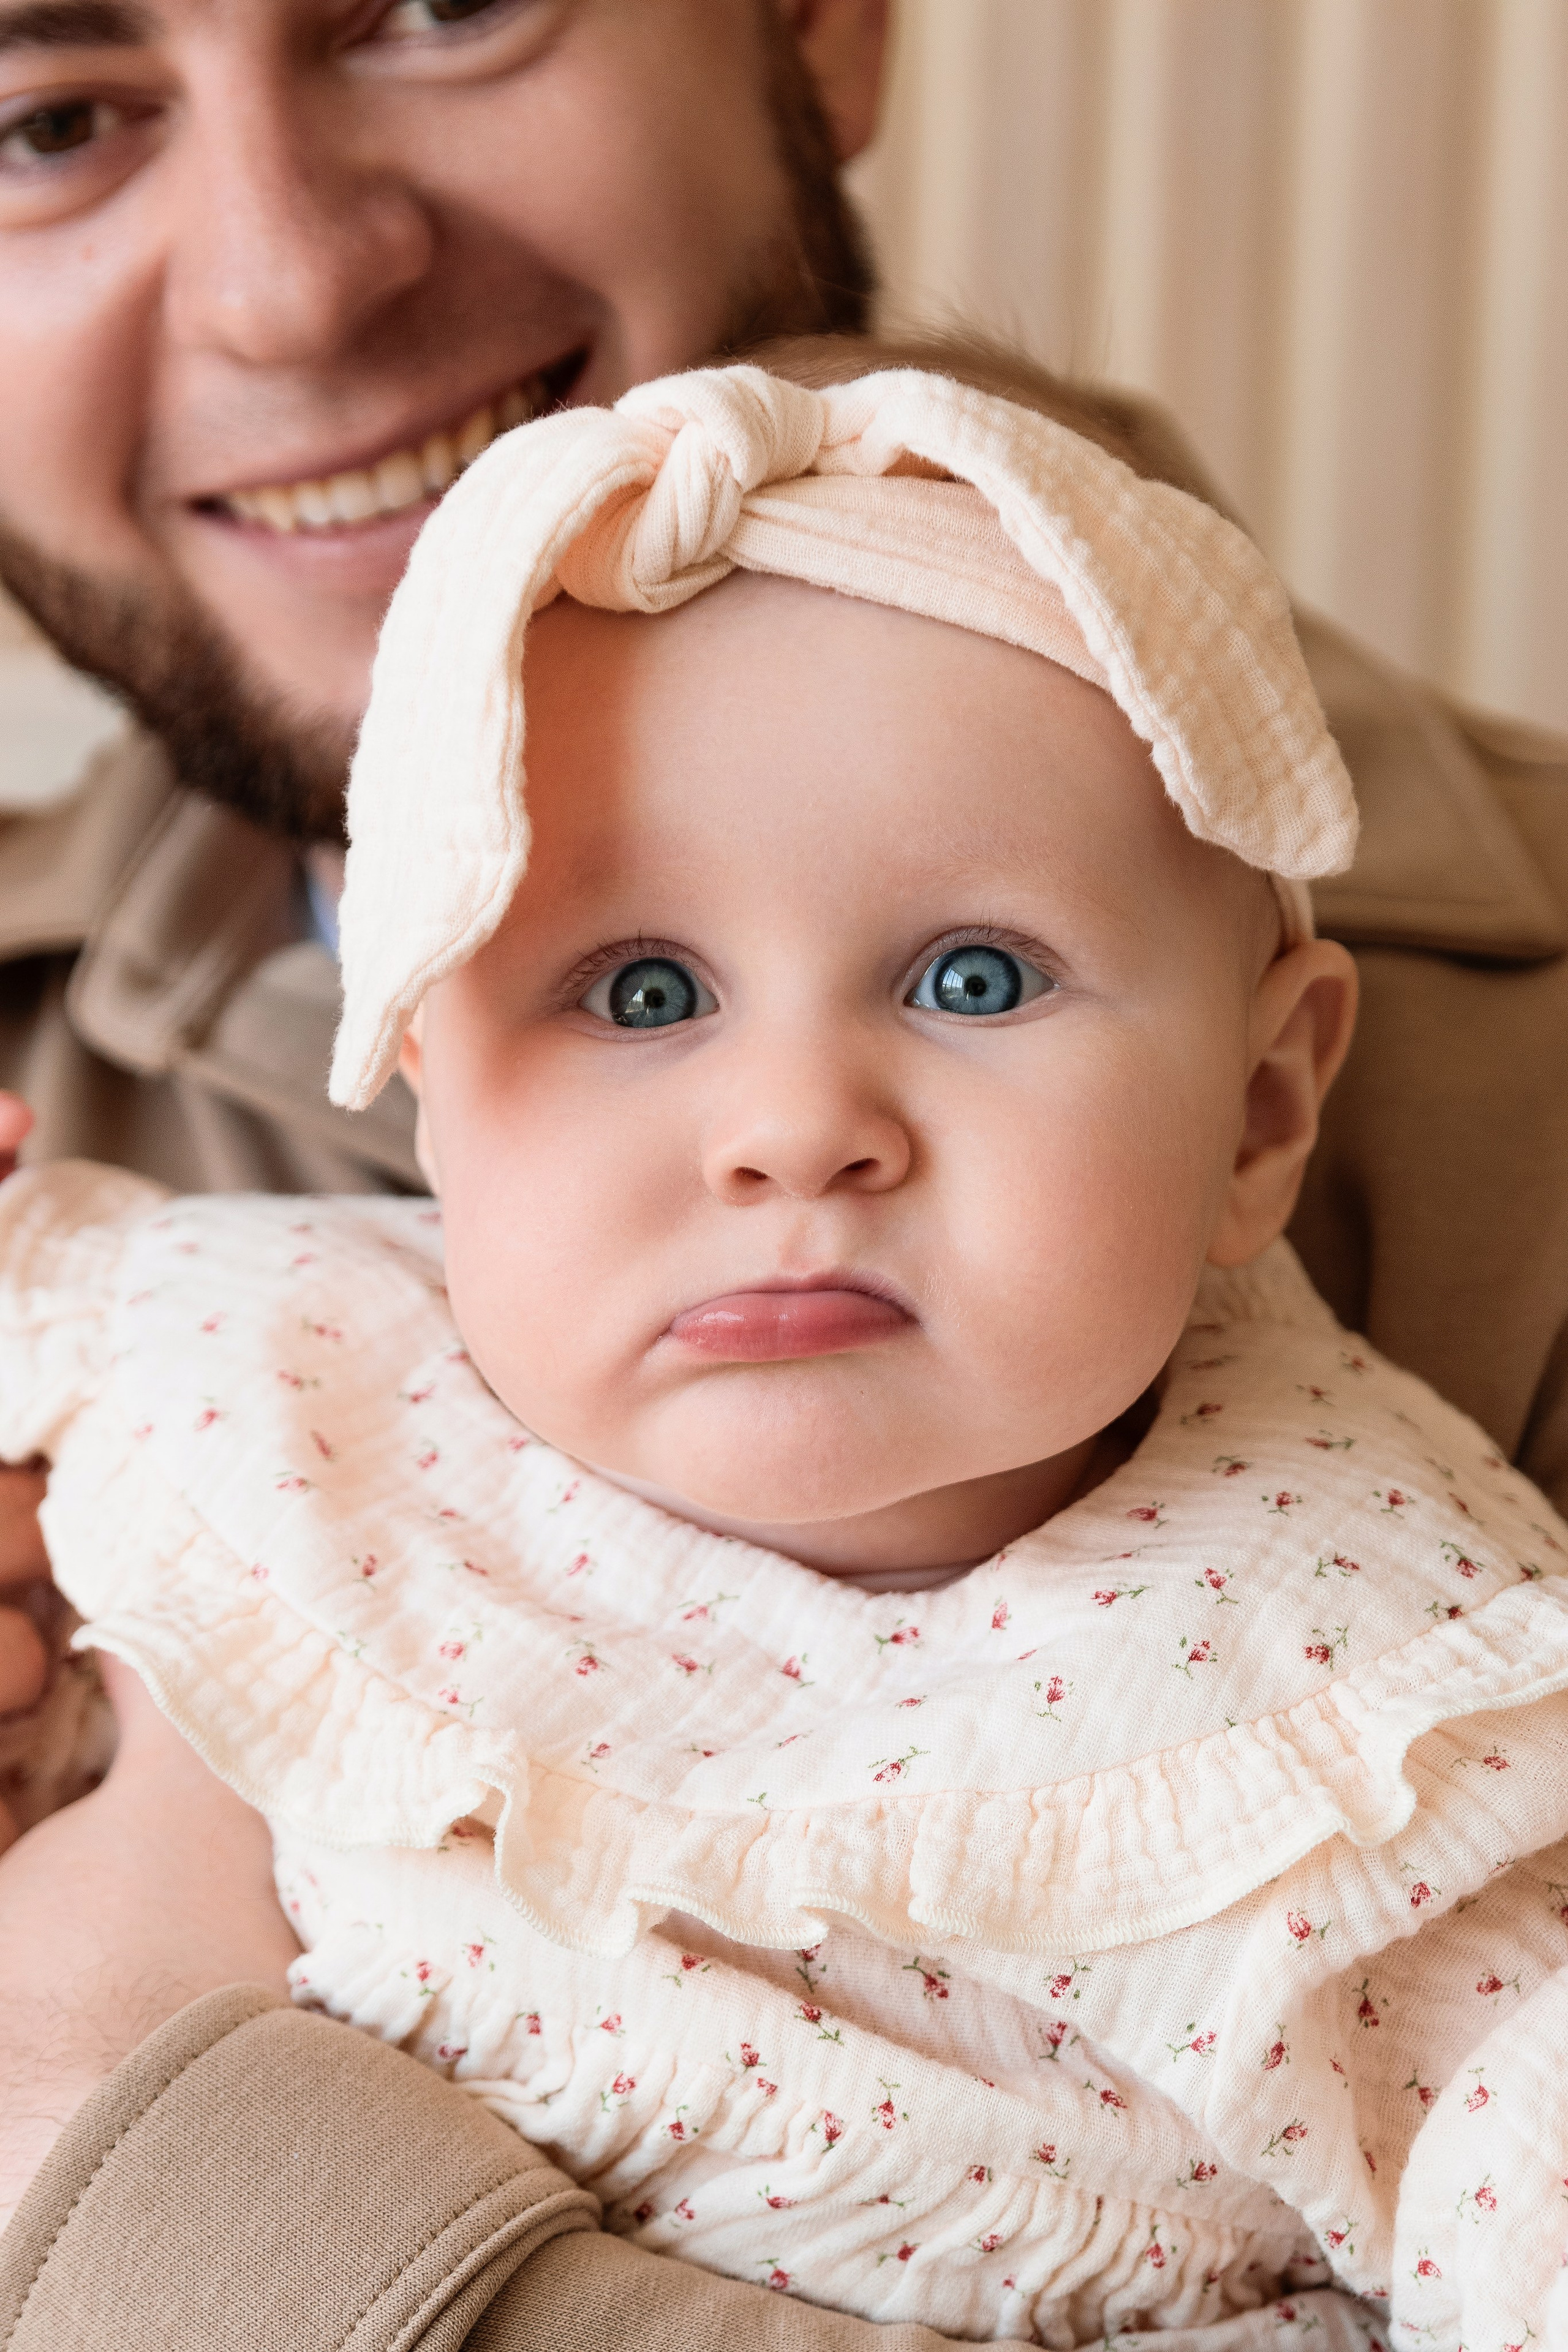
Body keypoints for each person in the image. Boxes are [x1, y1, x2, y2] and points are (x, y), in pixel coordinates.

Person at [0, 4, 1564, 2341]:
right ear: (422, 1070)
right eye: (44, 115)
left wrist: (118, 2144)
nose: (290, 285)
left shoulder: (1397, 1706)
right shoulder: (254, 1358)